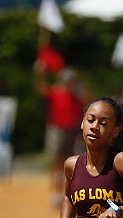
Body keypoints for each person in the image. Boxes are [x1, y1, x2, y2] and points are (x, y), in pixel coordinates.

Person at [34, 62, 90, 207]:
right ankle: (55, 193)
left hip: (73, 131)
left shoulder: (78, 95)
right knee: (57, 163)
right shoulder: (55, 92)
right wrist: (39, 73)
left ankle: (69, 193)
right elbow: (41, 89)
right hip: (57, 130)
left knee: (72, 163)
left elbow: (88, 103)